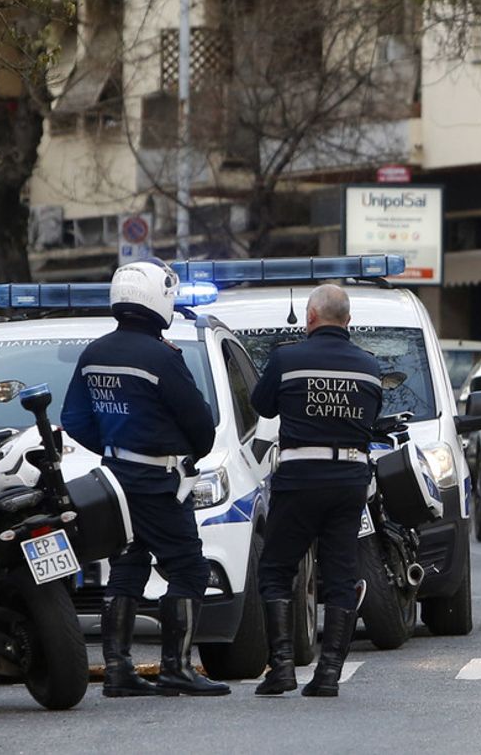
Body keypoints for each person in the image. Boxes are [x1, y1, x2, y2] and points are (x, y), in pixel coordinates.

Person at [61, 259, 230, 698]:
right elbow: (201, 425)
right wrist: (181, 451)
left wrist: (116, 445)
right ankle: (176, 669)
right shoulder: (162, 356)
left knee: (129, 564)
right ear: (158, 298)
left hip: (115, 480)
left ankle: (117, 670)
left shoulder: (95, 352)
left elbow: (74, 419)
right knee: (190, 569)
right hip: (158, 482)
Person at [250, 283, 380, 698]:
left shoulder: (287, 359)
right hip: (349, 482)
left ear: (309, 318)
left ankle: (283, 668)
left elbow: (262, 405)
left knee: (276, 570)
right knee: (341, 574)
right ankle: (328, 675)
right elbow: (373, 417)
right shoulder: (369, 366)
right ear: (347, 321)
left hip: (300, 479)